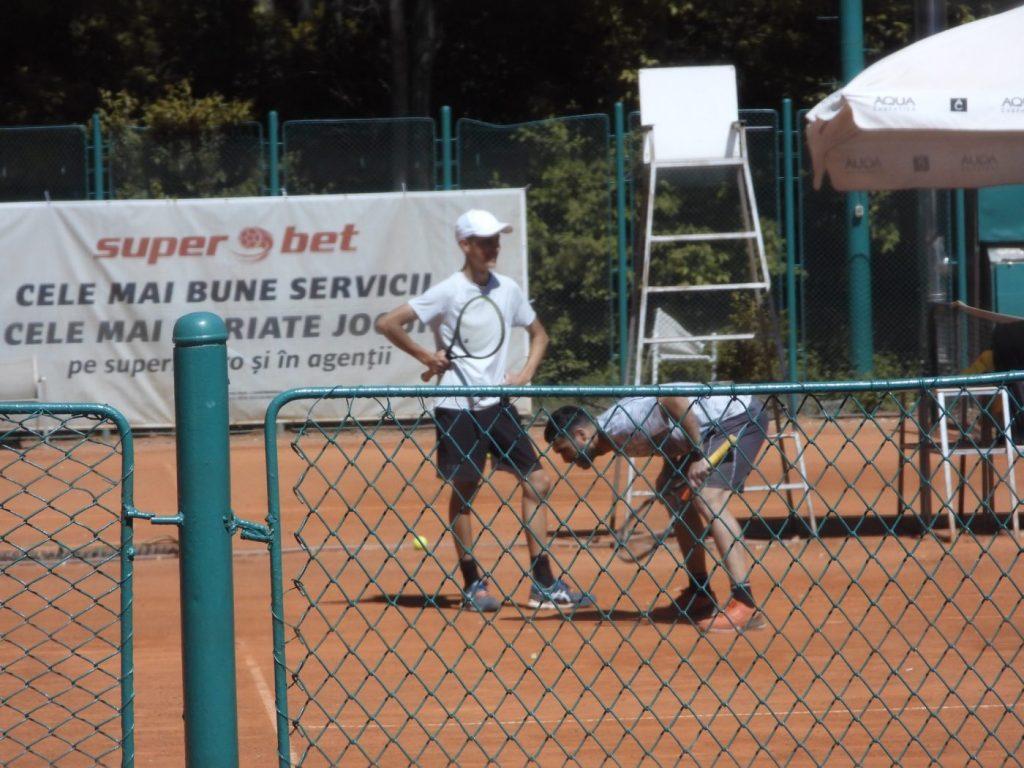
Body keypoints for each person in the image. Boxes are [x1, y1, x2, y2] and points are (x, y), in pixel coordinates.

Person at [376, 209, 591, 612]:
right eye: (485, 241)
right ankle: (473, 582)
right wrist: (427, 355)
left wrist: (525, 372)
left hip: (497, 403)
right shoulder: (448, 291)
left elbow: (539, 334)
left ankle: (542, 584)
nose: (494, 247)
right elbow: (389, 323)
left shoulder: (507, 289)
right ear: (465, 245)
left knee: (538, 482)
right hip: (456, 407)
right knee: (466, 487)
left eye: (496, 240)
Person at [544, 390, 769, 632]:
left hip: (737, 417)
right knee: (673, 494)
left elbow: (672, 400)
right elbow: (666, 427)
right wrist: (669, 471)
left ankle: (745, 605)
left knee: (708, 497)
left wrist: (698, 454)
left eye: (564, 449)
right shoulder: (613, 435)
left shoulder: (622, 424)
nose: (566, 460)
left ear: (581, 435)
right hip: (704, 428)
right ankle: (699, 593)